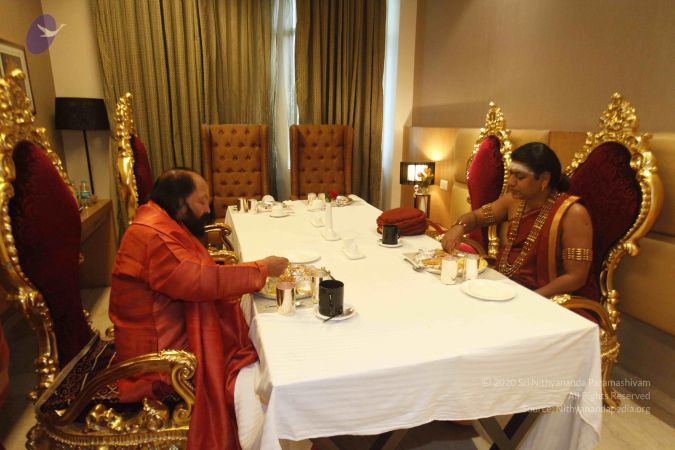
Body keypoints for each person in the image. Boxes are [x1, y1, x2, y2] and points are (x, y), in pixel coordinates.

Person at [109, 168, 288, 450]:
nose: (207, 210)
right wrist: (261, 269)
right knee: (264, 368)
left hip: (159, 334)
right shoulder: (153, 236)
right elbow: (199, 280)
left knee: (263, 337)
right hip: (157, 363)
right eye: (202, 201)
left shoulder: (160, 219)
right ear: (180, 203)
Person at [442, 142, 594, 298]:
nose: (511, 182)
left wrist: (530, 298)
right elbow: (476, 218)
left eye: (520, 177)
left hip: (545, 297)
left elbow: (576, 277)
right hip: (505, 284)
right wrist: (459, 227)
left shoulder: (573, 213)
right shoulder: (514, 201)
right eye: (511, 174)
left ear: (544, 179)